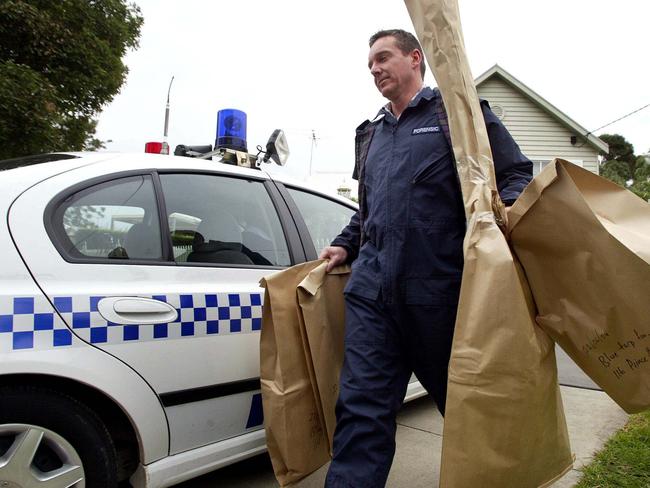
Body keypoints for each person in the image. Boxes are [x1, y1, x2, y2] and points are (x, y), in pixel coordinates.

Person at [320, 29, 533, 487]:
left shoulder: (454, 112)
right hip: (372, 295)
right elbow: (369, 210)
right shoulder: (371, 134)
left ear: (415, 58)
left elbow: (514, 173)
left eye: (383, 58)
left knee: (466, 408)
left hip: (442, 292)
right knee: (360, 409)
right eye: (370, 64)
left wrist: (500, 219)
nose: (375, 69)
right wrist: (345, 243)